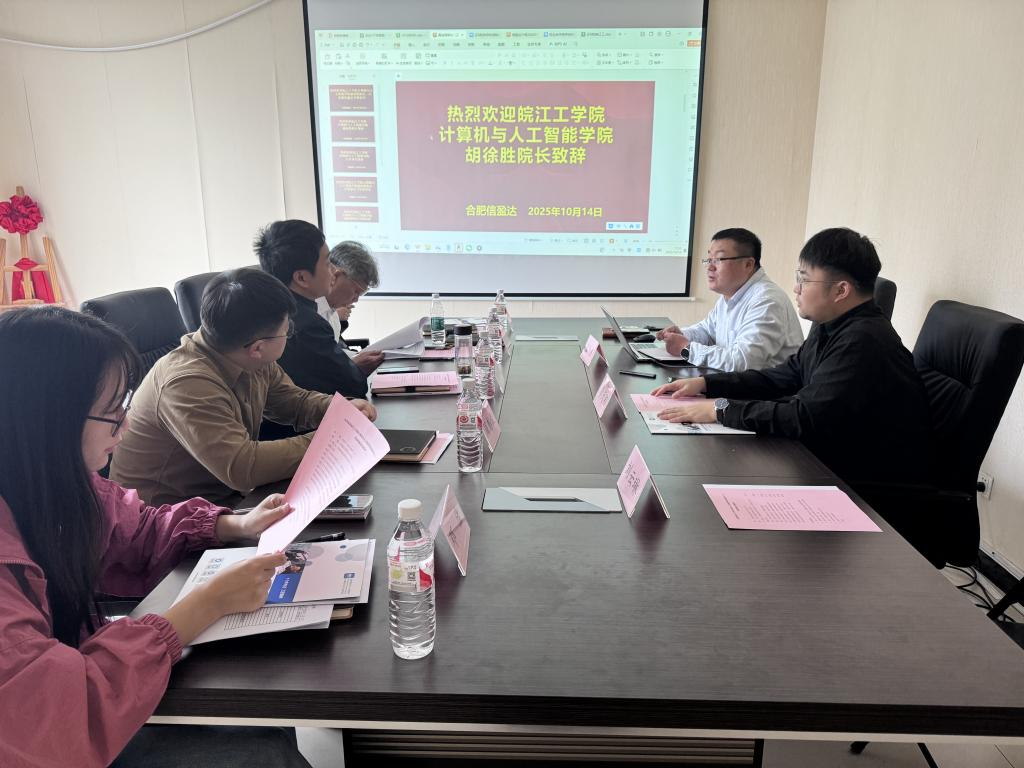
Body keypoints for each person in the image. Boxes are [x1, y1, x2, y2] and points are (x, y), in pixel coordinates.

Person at [0, 305, 312, 768]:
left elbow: (136, 528)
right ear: (47, 419)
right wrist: (201, 607)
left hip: (72, 693)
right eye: (112, 413)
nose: (125, 426)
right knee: (260, 752)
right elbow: (53, 720)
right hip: (53, 736)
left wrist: (235, 524)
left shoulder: (52, 484)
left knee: (267, 705)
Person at [651, 227, 931, 489]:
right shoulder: (831, 325)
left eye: (804, 279)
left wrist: (720, 409)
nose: (796, 289)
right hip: (828, 456)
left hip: (868, 482)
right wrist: (707, 385)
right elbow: (784, 376)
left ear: (841, 290)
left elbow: (804, 416)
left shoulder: (862, 341)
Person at [110, 268, 376, 506]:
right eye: (287, 331)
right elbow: (243, 466)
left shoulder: (245, 352)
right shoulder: (187, 384)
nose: (288, 334)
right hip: (170, 524)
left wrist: (341, 410)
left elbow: (292, 402)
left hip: (225, 503)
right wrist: (332, 440)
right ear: (257, 347)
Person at [255, 221, 384, 398]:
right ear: (302, 278)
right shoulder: (307, 323)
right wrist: (356, 370)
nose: (334, 271)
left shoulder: (274, 308)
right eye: (327, 263)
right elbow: (352, 385)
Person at [656, 228, 803, 371]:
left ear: (748, 264)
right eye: (709, 259)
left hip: (764, 388)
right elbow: (708, 331)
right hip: (736, 382)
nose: (709, 267)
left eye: (718, 259)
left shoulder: (767, 301)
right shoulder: (731, 294)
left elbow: (742, 362)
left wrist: (686, 348)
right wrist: (682, 335)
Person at [316, 240, 381, 346]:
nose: (356, 300)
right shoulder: (308, 311)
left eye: (361, 294)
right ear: (335, 275)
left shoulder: (333, 316)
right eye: (356, 291)